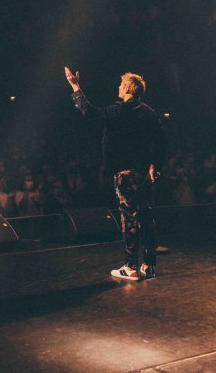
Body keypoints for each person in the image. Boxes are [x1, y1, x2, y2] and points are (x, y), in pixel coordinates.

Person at [64, 67, 163, 281]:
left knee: (130, 219)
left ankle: (131, 267)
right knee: (147, 217)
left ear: (127, 88)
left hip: (126, 174)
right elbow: (160, 141)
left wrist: (75, 87)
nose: (118, 87)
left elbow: (90, 113)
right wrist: (155, 166)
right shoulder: (149, 112)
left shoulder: (120, 109)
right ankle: (149, 265)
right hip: (144, 174)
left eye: (120, 85)